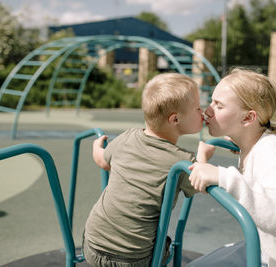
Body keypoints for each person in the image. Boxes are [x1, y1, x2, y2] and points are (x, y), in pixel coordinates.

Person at [188, 68, 276, 267]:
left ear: (247, 118)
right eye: (211, 101)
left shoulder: (273, 153)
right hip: (269, 252)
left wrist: (223, 176)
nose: (208, 110)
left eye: (219, 106)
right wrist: (210, 157)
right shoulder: (253, 143)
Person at [83, 73, 205, 267]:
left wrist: (97, 147)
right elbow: (200, 184)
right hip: (134, 260)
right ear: (175, 119)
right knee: (166, 243)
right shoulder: (183, 161)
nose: (203, 113)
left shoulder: (128, 137)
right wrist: (204, 156)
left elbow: (103, 162)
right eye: (198, 109)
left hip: (92, 244)